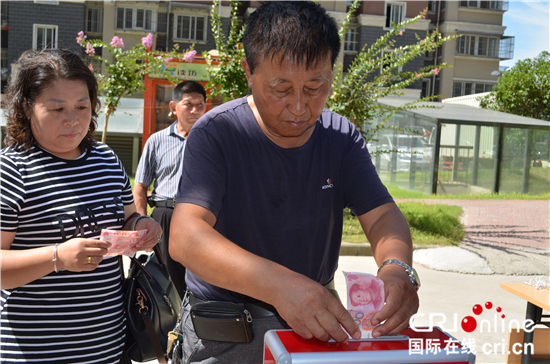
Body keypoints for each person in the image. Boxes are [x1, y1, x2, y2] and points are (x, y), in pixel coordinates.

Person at [170, 2, 419, 362]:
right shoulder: (217, 133)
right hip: (227, 332)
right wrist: (278, 285)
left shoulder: (340, 137)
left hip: (315, 322)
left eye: (316, 86)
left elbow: (382, 217)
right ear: (249, 73)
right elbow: (186, 235)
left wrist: (398, 270)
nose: (300, 107)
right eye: (281, 89)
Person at [0, 49, 162, 364]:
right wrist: (57, 257)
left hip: (106, 348)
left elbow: (128, 218)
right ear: (26, 107)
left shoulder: (106, 159)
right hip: (32, 351)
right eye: (57, 108)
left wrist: (142, 227)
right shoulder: (11, 170)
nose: (73, 120)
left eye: (82, 106)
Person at [133, 81, 207, 298]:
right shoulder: (156, 141)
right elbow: (140, 186)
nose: (195, 110)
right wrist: (141, 223)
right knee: (165, 272)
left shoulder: (212, 140)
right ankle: (169, 323)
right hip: (165, 214)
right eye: (188, 104)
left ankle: (194, 321)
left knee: (200, 271)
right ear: (174, 107)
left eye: (200, 105)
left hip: (202, 216)